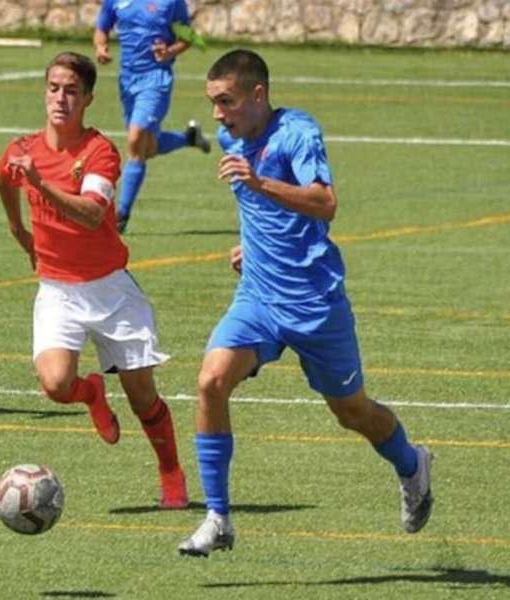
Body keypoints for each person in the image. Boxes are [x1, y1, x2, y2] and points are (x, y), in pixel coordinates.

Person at [178, 49, 434, 557]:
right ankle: (218, 518)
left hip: (315, 303)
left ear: (257, 95)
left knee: (352, 412)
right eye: (212, 103)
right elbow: (261, 211)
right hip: (259, 299)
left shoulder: (298, 134)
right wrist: (252, 247)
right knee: (210, 381)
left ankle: (411, 463)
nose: (216, 116)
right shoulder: (233, 139)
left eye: (225, 101)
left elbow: (325, 202)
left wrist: (260, 182)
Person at [0, 51, 188, 508]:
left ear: (88, 100)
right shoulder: (21, 151)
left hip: (110, 288)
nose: (61, 98)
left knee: (144, 399)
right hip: (59, 289)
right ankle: (92, 393)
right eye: (54, 88)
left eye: (71, 91)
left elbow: (92, 214)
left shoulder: (99, 151)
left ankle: (171, 474)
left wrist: (40, 186)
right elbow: (4, 180)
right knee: (56, 385)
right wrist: (18, 229)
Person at [93, 0, 211, 234]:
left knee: (135, 140)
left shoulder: (172, 2)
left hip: (156, 80)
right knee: (146, 147)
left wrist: (169, 52)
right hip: (127, 81)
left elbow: (187, 38)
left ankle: (121, 216)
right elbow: (102, 28)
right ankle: (189, 138)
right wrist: (101, 47)